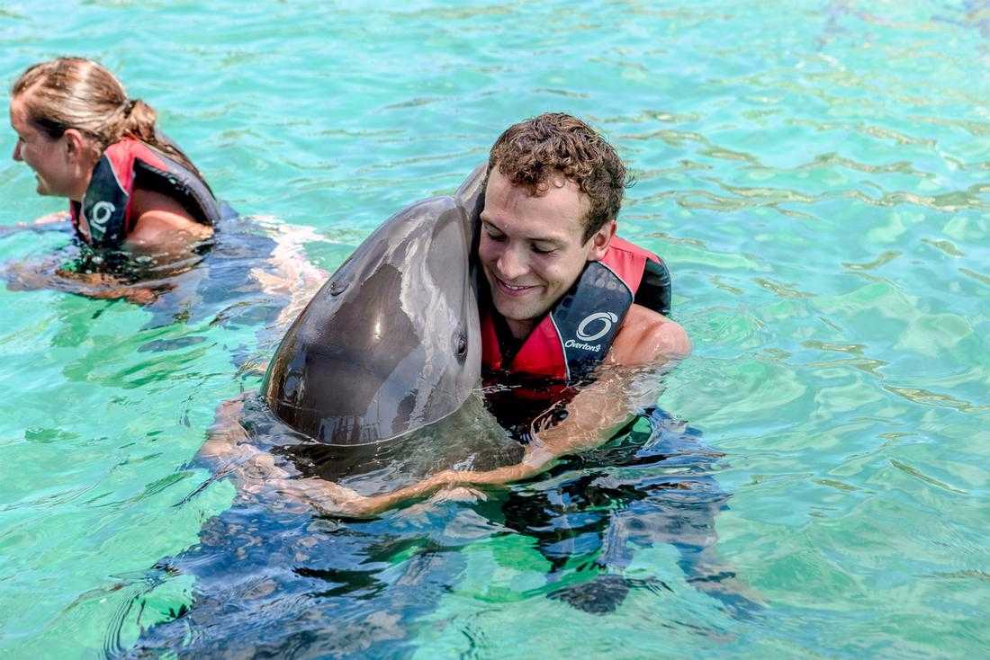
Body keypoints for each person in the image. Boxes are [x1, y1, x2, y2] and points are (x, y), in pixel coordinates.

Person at [262, 112, 691, 516]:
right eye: (494, 233)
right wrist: (234, 439)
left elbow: (549, 454)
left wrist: (392, 498)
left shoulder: (646, 344)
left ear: (600, 241)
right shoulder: (458, 287)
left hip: (596, 475)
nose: (509, 267)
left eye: (542, 248)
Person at [4, 57, 222, 303]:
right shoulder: (102, 181)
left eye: (24, 138)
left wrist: (48, 280)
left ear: (70, 145)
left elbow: (168, 308)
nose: (16, 155)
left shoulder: (153, 238)